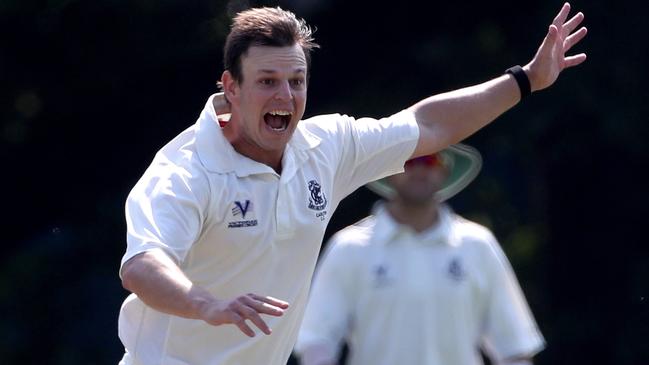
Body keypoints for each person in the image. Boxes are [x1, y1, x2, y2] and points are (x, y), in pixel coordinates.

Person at [117, 4, 585, 365]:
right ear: (231, 87)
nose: (285, 96)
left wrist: (525, 80)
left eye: (296, 81)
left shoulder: (326, 147)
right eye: (267, 81)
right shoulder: (185, 172)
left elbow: (430, 125)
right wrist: (205, 303)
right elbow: (142, 265)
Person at [294, 146, 545, 365]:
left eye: (430, 160)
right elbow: (316, 341)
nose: (420, 170)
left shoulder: (478, 245)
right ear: (388, 171)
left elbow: (514, 348)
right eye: (409, 161)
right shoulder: (349, 247)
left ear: (446, 170)